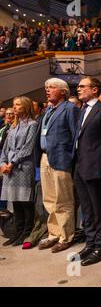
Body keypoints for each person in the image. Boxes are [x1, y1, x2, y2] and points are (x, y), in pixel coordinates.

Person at [72, 77, 101, 266]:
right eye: (79, 86)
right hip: (80, 166)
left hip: (96, 166)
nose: (79, 89)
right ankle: (90, 243)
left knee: (99, 209)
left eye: (83, 86)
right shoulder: (82, 110)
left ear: (95, 89)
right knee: (87, 209)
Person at [36, 78, 79, 253]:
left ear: (63, 91)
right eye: (46, 87)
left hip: (61, 159)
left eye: (52, 87)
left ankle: (66, 236)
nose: (47, 90)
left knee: (63, 200)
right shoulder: (48, 110)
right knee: (49, 200)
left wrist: (70, 159)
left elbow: (75, 136)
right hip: (45, 157)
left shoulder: (70, 109)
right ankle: (53, 233)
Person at [1, 96, 38, 246]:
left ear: (26, 106)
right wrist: (3, 163)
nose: (14, 108)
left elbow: (27, 148)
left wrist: (12, 162)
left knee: (25, 201)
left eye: (18, 105)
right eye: (14, 105)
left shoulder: (32, 124)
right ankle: (17, 231)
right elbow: (5, 148)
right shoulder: (13, 125)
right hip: (9, 167)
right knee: (15, 201)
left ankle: (26, 232)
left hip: (23, 166)